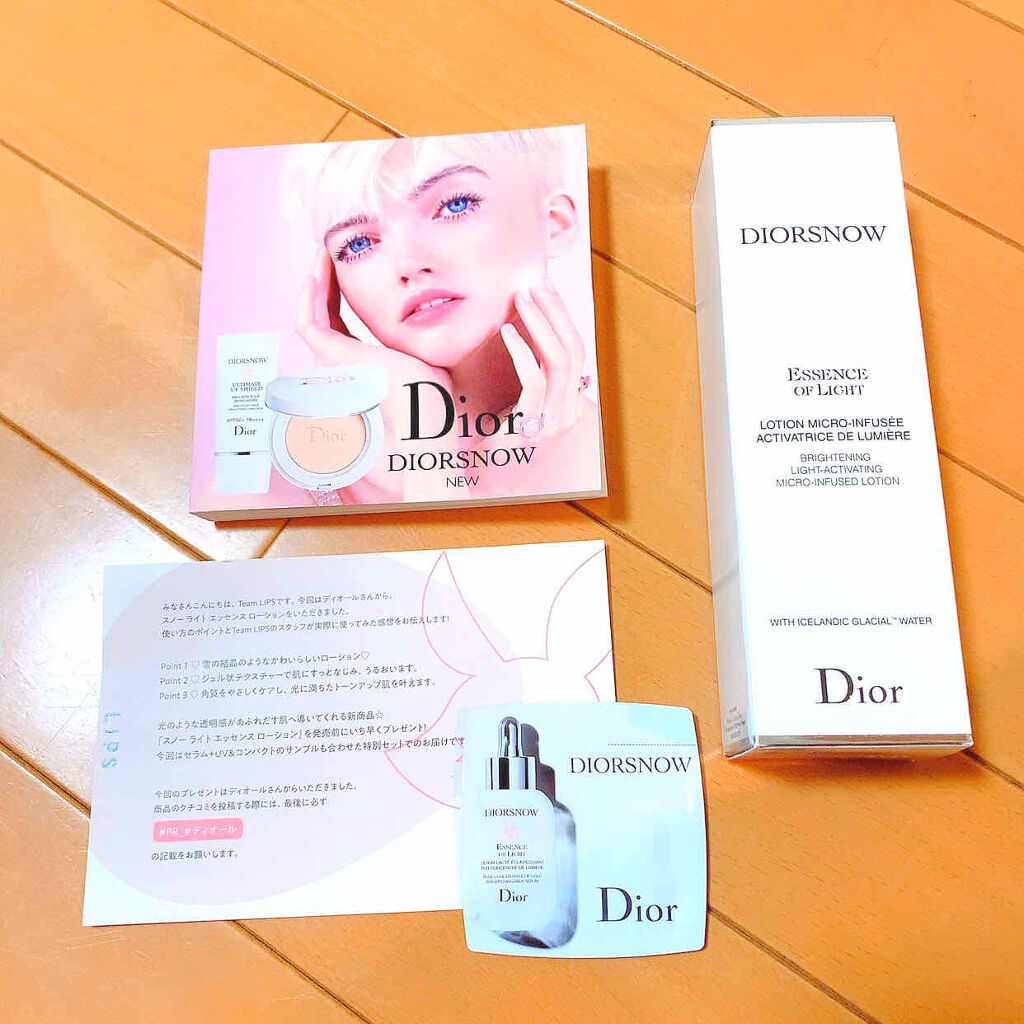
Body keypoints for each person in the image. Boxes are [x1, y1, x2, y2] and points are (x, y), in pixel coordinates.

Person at [288, 127, 601, 504]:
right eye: (358, 243)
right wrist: (423, 417)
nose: (409, 263)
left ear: (553, 223)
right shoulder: (299, 467)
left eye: (455, 205)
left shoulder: (626, 449)